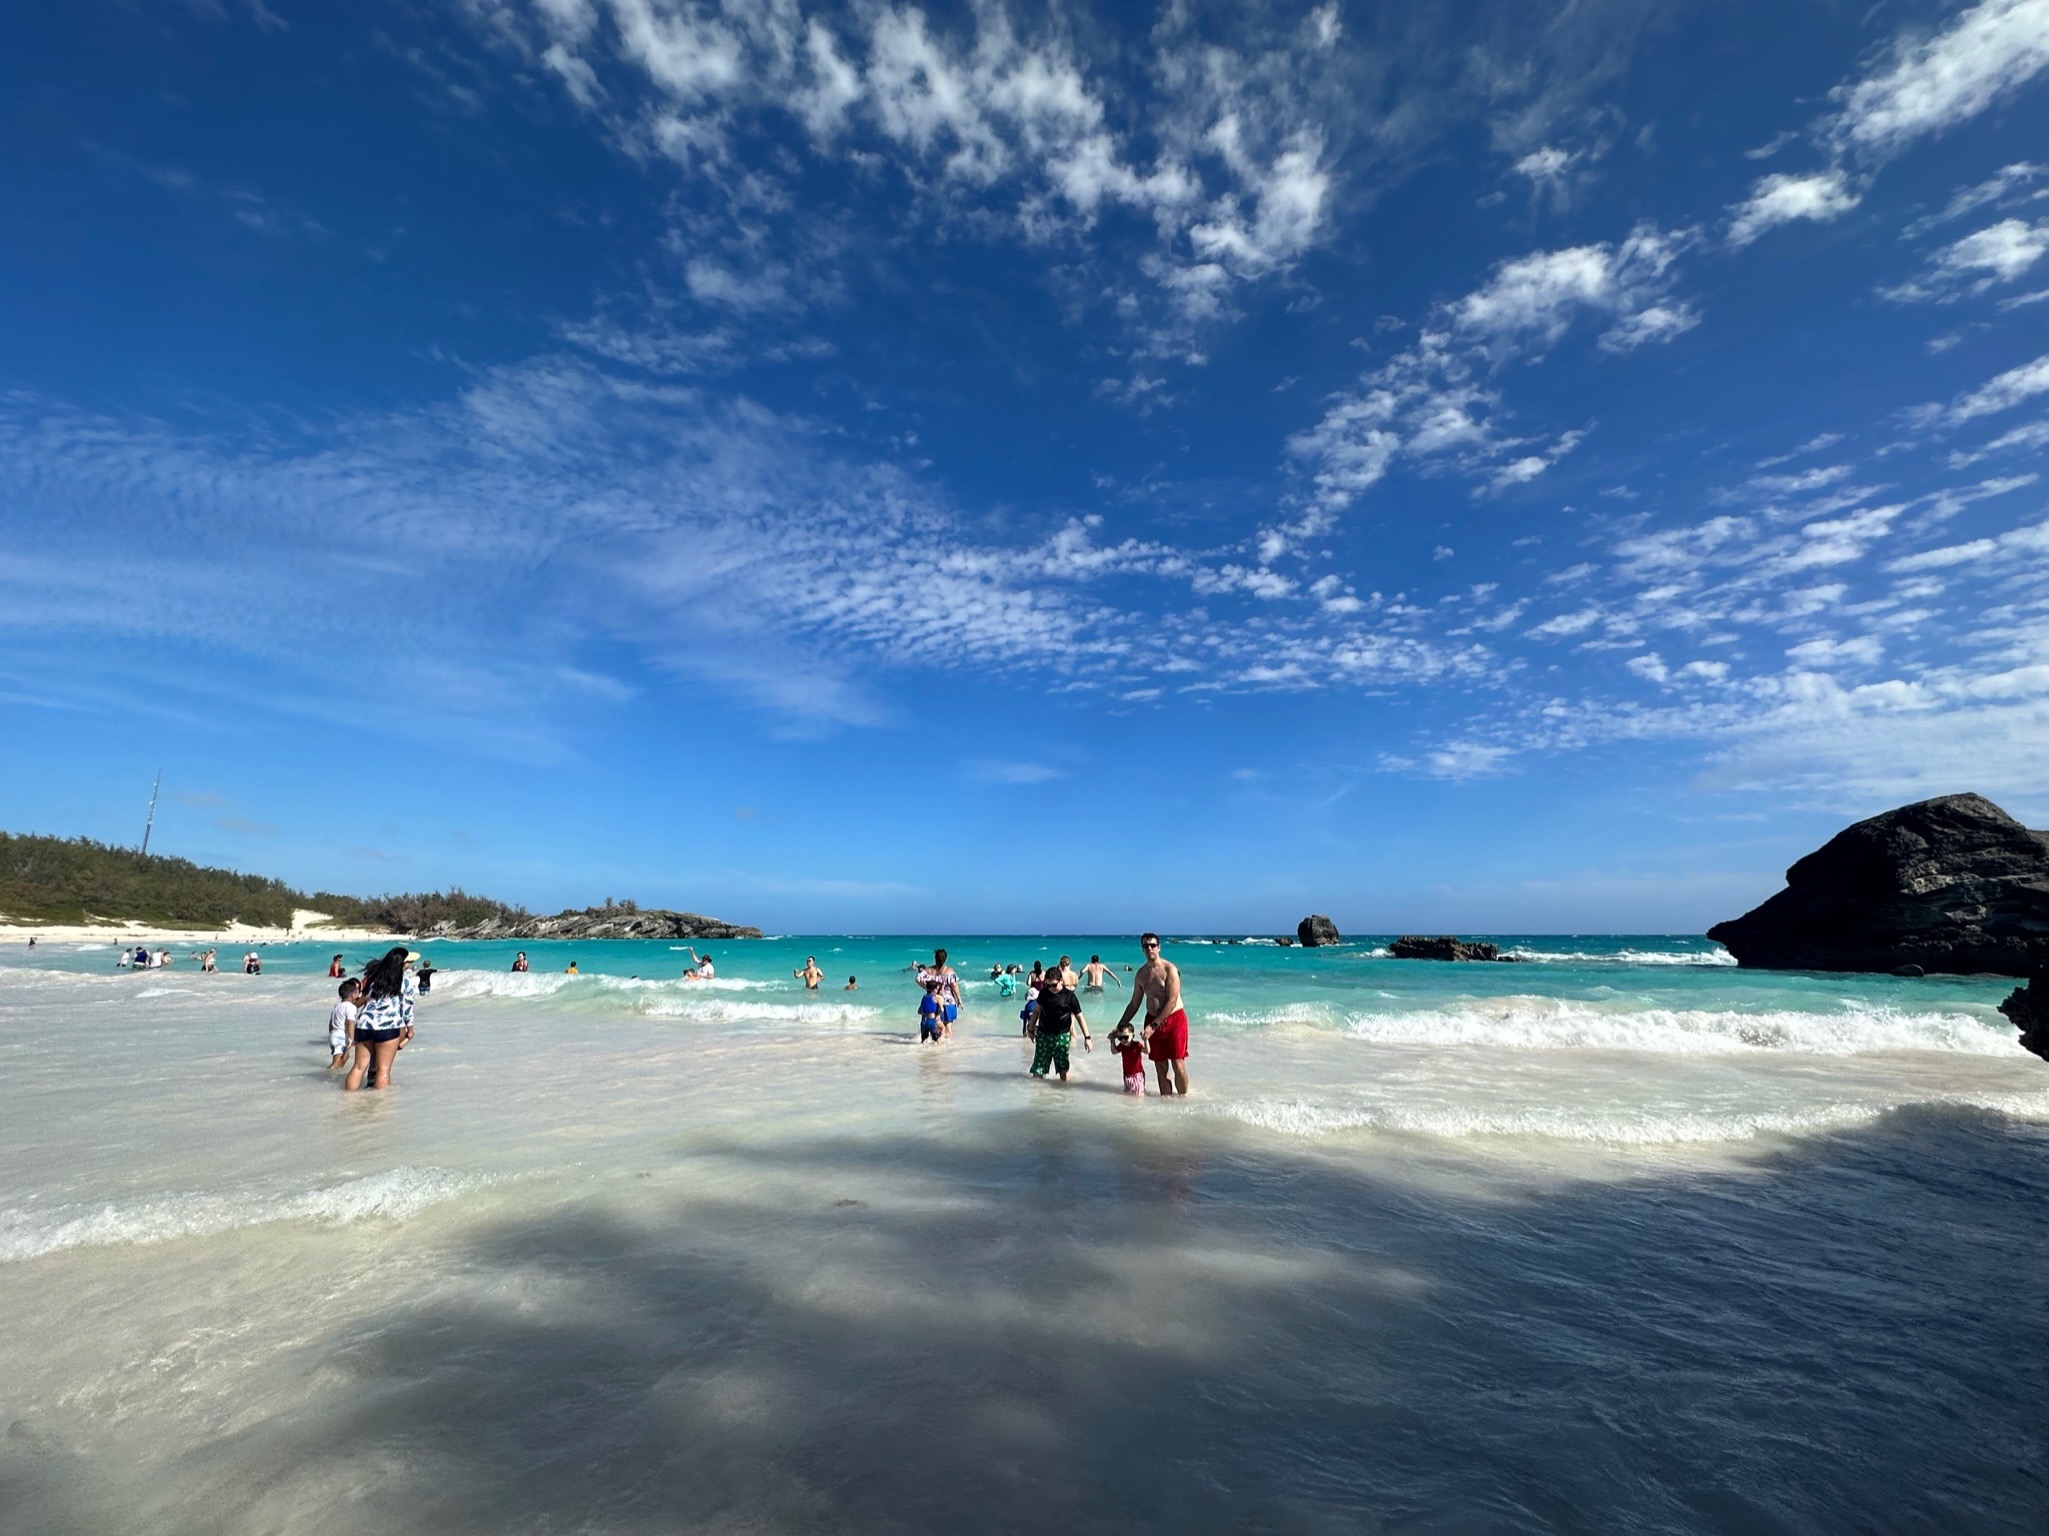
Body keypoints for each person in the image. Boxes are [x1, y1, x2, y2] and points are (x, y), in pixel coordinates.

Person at [1116, 933, 1189, 1097]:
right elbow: (1134, 1004)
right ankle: (1167, 1104)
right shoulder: (1141, 974)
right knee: (1160, 1066)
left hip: (1175, 1020)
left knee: (1178, 1064)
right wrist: (1119, 1026)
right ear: (1142, 949)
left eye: (1153, 945)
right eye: (1146, 945)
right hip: (1152, 1020)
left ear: (1159, 947)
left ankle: (1183, 1099)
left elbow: (1171, 1001)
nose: (1149, 948)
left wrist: (1153, 1026)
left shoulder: (1170, 969)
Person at [346, 947, 415, 1092]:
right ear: (402, 964)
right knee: (383, 1069)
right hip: (387, 1027)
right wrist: (410, 1029)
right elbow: (407, 1007)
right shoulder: (405, 982)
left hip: (364, 1025)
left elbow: (365, 999)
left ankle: (347, 1100)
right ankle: (380, 1107)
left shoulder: (374, 979)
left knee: (358, 1067)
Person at [1028, 969, 1089, 1082]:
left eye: (1054, 985)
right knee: (1038, 1071)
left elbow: (1079, 1016)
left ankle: (1064, 1096)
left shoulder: (1069, 996)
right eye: (1048, 985)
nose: (1051, 988)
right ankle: (1037, 1095)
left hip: (1062, 1036)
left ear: (1061, 980)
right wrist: (1030, 1029)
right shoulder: (1044, 993)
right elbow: (1036, 1011)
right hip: (1043, 1035)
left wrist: (1087, 1037)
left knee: (1063, 1071)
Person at [327, 978, 362, 1071]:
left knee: (345, 1057)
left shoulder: (338, 1006)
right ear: (352, 995)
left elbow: (331, 1023)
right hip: (341, 1035)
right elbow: (350, 1022)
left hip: (334, 1033)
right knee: (337, 1060)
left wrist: (331, 1034)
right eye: (358, 991)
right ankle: (329, 1072)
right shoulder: (351, 1007)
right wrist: (351, 1038)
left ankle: (336, 1071)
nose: (359, 994)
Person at [928, 948, 960, 1038]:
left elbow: (918, 978)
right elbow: (954, 986)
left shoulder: (930, 970)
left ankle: (940, 1043)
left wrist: (928, 989)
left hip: (935, 1000)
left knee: (939, 1024)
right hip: (948, 1001)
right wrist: (959, 999)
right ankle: (947, 1046)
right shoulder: (949, 970)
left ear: (935, 958)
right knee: (948, 1024)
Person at [1109, 1023, 1146, 1095]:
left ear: (1133, 1036)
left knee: (1138, 1095)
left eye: (1126, 1037)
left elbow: (1147, 1051)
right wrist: (1112, 1040)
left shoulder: (1137, 1045)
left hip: (1137, 1075)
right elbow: (1113, 1051)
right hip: (1126, 1075)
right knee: (1128, 1094)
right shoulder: (1122, 1046)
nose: (1123, 1040)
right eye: (1120, 1038)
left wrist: (1145, 1040)